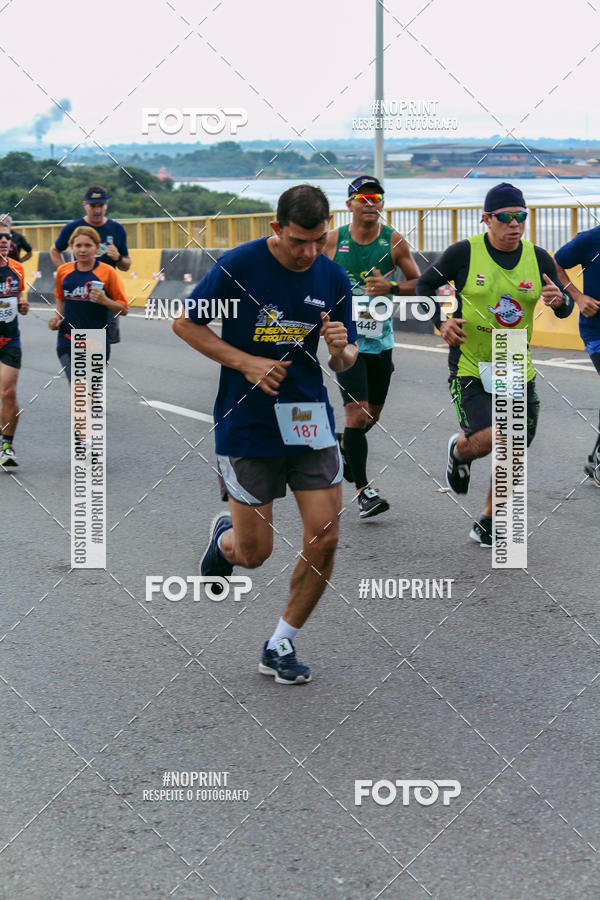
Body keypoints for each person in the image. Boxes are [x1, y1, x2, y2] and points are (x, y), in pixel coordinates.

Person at [173, 185, 358, 684]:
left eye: (318, 240)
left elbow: (345, 359)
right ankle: (225, 539)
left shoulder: (331, 274)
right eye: (299, 241)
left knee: (326, 535)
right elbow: (186, 324)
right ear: (277, 229)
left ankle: (281, 642)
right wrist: (246, 361)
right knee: (255, 554)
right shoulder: (241, 266)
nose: (308, 252)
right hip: (248, 421)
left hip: (307, 417)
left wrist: (340, 351)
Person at [417, 183, 573, 546]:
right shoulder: (464, 253)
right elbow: (424, 286)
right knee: (496, 436)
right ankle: (460, 450)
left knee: (515, 443)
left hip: (514, 361)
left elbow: (563, 305)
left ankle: (488, 519)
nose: (514, 224)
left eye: (521, 216)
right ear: (486, 219)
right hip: (470, 362)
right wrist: (441, 322)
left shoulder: (539, 258)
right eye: (505, 217)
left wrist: (559, 302)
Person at [325, 175, 419, 518]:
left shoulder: (393, 242)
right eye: (362, 198)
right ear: (349, 204)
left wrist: (391, 288)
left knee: (369, 417)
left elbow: (419, 281)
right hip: (346, 343)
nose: (369, 203)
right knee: (358, 412)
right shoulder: (333, 241)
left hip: (381, 342)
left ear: (382, 203)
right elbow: (309, 274)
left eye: (375, 197)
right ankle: (365, 492)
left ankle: (342, 445)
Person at [48, 227, 128, 438]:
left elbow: (124, 308)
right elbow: (60, 297)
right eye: (78, 246)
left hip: (95, 341)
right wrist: (57, 317)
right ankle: (83, 441)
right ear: (72, 248)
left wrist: (105, 300)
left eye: (87, 245)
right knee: (79, 389)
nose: (82, 250)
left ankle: (86, 431)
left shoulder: (107, 273)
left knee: (88, 393)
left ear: (97, 248)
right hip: (67, 339)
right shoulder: (64, 271)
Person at [50, 187, 130, 345]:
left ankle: (93, 366)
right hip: (78, 289)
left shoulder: (117, 229)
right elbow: (54, 250)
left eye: (100, 205)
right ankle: (80, 366)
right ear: (85, 205)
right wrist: (66, 271)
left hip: (105, 291)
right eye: (93, 206)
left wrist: (118, 257)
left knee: (103, 342)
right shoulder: (73, 227)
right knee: (74, 340)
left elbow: (126, 265)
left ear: (106, 205)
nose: (97, 210)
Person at [554, 231, 600, 485]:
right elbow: (555, 263)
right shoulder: (591, 240)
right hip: (597, 331)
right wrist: (578, 296)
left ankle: (596, 459)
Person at [0, 220, 28, 466]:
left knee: (8, 392)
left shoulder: (17, 268)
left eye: (7, 237)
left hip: (9, 339)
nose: (3, 240)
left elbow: (18, 295)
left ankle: (6, 445)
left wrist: (22, 303)